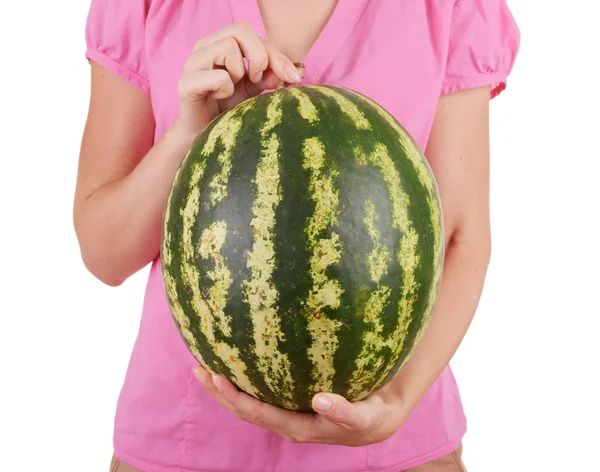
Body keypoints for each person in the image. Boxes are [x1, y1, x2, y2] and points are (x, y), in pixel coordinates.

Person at [74, 0, 520, 470]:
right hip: (184, 443)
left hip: (395, 448)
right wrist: (190, 132)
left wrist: (395, 403)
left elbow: (461, 239)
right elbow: (105, 255)